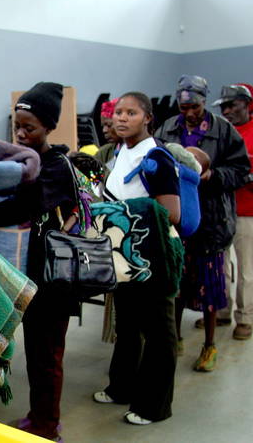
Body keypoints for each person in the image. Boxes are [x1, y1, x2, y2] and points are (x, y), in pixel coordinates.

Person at [93, 92, 181, 425]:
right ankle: (122, 388)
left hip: (154, 255)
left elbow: (171, 212)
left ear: (147, 118)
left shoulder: (156, 157)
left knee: (159, 332)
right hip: (125, 256)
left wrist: (119, 215)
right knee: (127, 326)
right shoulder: (120, 154)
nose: (121, 118)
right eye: (118, 112)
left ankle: (155, 406)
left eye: (131, 113)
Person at [155, 75, 250, 371]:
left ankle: (210, 346)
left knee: (211, 289)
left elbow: (241, 169)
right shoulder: (168, 128)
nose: (190, 113)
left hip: (211, 219)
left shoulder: (223, 131)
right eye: (184, 108)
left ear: (204, 101)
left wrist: (213, 176)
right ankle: (177, 337)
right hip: (177, 220)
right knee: (178, 285)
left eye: (194, 106)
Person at [11, 82, 85, 442]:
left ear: (49, 128)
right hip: (34, 274)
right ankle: (37, 415)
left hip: (55, 279)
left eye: (30, 128)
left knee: (47, 355)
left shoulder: (55, 166)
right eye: (17, 126)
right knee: (37, 352)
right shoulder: (28, 161)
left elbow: (28, 206)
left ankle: (48, 426)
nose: (22, 134)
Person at [213, 85, 253, 340]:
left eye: (232, 105)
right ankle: (222, 310)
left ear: (248, 105)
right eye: (223, 107)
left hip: (248, 210)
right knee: (221, 265)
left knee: (247, 267)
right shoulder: (221, 133)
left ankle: (245, 318)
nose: (227, 111)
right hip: (221, 208)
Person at [95, 98, 122, 176]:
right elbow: (92, 181)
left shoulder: (145, 151)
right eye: (103, 126)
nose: (104, 130)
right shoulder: (104, 152)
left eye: (109, 125)